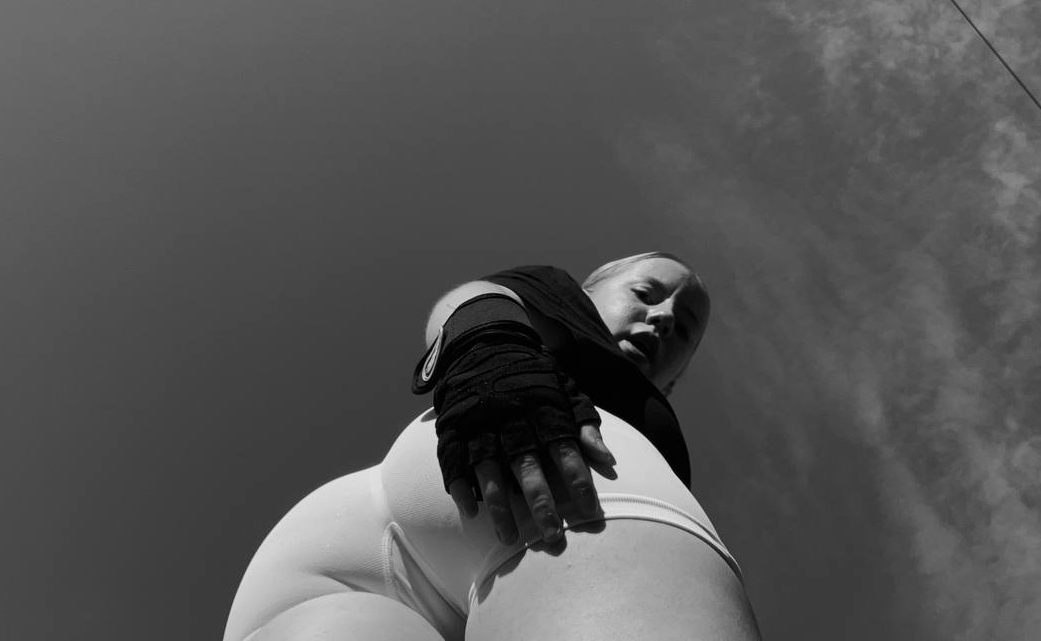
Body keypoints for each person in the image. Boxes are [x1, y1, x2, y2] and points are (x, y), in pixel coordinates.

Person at [222, 253, 761, 641]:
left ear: (674, 381)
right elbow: (474, 298)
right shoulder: (560, 298)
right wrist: (491, 348)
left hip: (329, 553)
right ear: (589, 292)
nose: (664, 316)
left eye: (684, 329)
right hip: (548, 484)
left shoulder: (648, 407)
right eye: (645, 293)